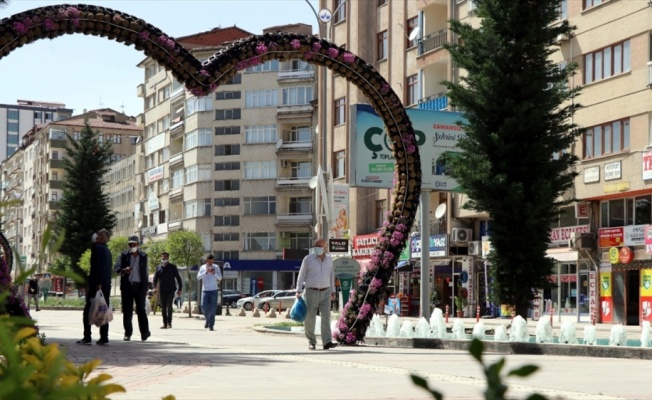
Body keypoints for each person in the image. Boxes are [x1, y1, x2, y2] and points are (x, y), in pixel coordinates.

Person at [295, 238, 338, 350]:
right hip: (311, 291)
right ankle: (312, 341)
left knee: (326, 317)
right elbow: (301, 274)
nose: (317, 248)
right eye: (316, 245)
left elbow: (331, 276)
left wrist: (333, 290)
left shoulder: (329, 259)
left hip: (326, 292)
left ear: (325, 247)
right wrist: (298, 290)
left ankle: (327, 342)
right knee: (310, 317)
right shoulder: (308, 259)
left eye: (320, 246)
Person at [77, 229, 112, 345]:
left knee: (88, 311)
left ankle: (87, 336)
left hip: (98, 285)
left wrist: (98, 283)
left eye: (98, 235)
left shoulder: (97, 249)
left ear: (100, 238)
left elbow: (99, 267)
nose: (95, 236)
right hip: (106, 285)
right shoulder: (107, 250)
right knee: (103, 310)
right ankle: (104, 337)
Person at [114, 235, 150, 342]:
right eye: (130, 244)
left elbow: (146, 272)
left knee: (141, 310)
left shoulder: (143, 256)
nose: (132, 246)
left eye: (134, 244)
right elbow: (116, 268)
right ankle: (127, 333)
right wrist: (124, 270)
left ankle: (144, 333)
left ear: (138, 244)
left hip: (139, 287)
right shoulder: (124, 255)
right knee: (127, 311)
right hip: (127, 286)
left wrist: (146, 287)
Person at [152, 252, 182, 329]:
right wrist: (154, 288)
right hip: (162, 290)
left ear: (168, 258)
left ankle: (169, 322)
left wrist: (180, 289)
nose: (163, 258)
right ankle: (164, 323)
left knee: (169, 306)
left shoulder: (172, 267)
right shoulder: (158, 268)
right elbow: (155, 279)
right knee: (163, 307)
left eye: (165, 257)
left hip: (171, 290)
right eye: (162, 257)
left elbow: (178, 278)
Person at [197, 255, 221, 331]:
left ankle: (211, 325)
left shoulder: (216, 267)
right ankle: (207, 319)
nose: (211, 263)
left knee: (213, 308)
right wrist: (206, 272)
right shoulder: (202, 267)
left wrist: (214, 273)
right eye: (209, 261)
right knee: (203, 307)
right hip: (205, 290)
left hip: (214, 290)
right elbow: (198, 277)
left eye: (212, 261)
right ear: (206, 260)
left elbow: (220, 278)